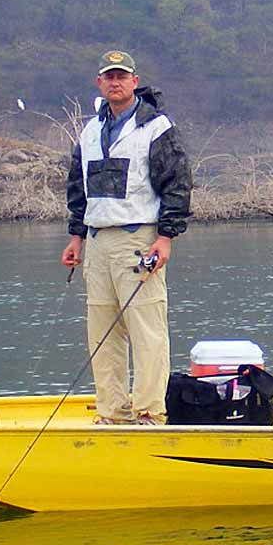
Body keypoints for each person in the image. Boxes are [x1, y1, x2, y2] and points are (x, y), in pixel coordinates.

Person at [62, 49, 192, 424]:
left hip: (139, 239)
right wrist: (76, 236)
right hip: (98, 240)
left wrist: (166, 237)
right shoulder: (89, 131)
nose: (115, 82)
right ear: (99, 83)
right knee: (102, 331)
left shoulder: (156, 127)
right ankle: (112, 411)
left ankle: (150, 410)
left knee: (147, 329)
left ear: (135, 82)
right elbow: (78, 185)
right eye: (109, 76)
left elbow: (178, 182)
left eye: (122, 76)